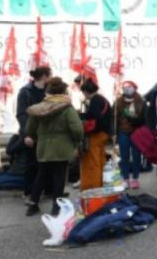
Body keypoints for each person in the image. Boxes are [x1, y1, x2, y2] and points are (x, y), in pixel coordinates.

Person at [24, 77, 83, 216]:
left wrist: (32, 136)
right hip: (62, 147)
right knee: (59, 177)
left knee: (41, 175)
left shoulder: (38, 108)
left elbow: (30, 128)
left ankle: (33, 204)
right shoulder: (67, 108)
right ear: (64, 91)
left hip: (43, 147)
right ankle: (56, 206)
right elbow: (77, 129)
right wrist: (77, 141)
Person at [16, 66, 50, 198]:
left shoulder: (50, 91)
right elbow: (21, 114)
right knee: (32, 164)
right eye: (49, 74)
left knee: (48, 163)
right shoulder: (25, 92)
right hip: (32, 133)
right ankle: (29, 192)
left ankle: (48, 190)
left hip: (48, 133)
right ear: (44, 76)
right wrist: (27, 134)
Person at [77, 78, 112, 191]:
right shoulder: (103, 99)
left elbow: (97, 119)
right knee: (100, 160)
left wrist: (86, 123)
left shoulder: (95, 101)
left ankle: (94, 187)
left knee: (93, 162)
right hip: (104, 134)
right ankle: (101, 184)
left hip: (96, 135)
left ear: (86, 91)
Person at [114, 81, 146, 189]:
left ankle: (135, 178)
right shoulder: (118, 101)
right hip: (123, 131)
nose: (128, 89)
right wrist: (114, 133)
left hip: (137, 132)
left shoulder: (140, 100)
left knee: (137, 155)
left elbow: (144, 117)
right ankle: (125, 178)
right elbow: (114, 118)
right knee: (124, 156)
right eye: (125, 87)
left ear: (135, 88)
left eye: (130, 87)